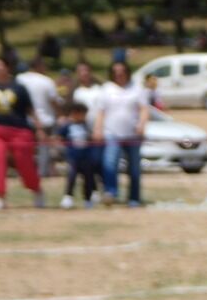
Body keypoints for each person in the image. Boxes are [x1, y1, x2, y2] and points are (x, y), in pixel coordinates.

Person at [0, 56, 47, 210]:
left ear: (7, 68)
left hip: (19, 130)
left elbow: (30, 110)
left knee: (24, 162)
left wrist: (39, 128)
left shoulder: (19, 88)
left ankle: (36, 189)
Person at [94, 60, 148, 207]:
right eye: (116, 72)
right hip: (112, 132)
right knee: (110, 164)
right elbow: (101, 111)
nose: (119, 74)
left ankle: (134, 198)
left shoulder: (136, 88)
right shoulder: (106, 89)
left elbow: (144, 109)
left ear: (127, 72)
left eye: (121, 71)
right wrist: (97, 129)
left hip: (132, 134)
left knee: (134, 168)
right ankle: (111, 193)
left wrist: (142, 125)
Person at [16, 56, 61, 183]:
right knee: (43, 148)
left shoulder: (19, 79)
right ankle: (42, 172)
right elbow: (54, 102)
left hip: (24, 119)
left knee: (25, 149)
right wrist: (60, 114)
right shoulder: (47, 81)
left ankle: (24, 172)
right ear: (40, 67)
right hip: (45, 119)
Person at [58, 98, 101, 207]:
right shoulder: (67, 126)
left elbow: (92, 138)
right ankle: (68, 197)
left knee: (88, 178)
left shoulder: (87, 126)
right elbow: (59, 137)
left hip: (86, 158)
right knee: (71, 177)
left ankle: (88, 199)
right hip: (73, 158)